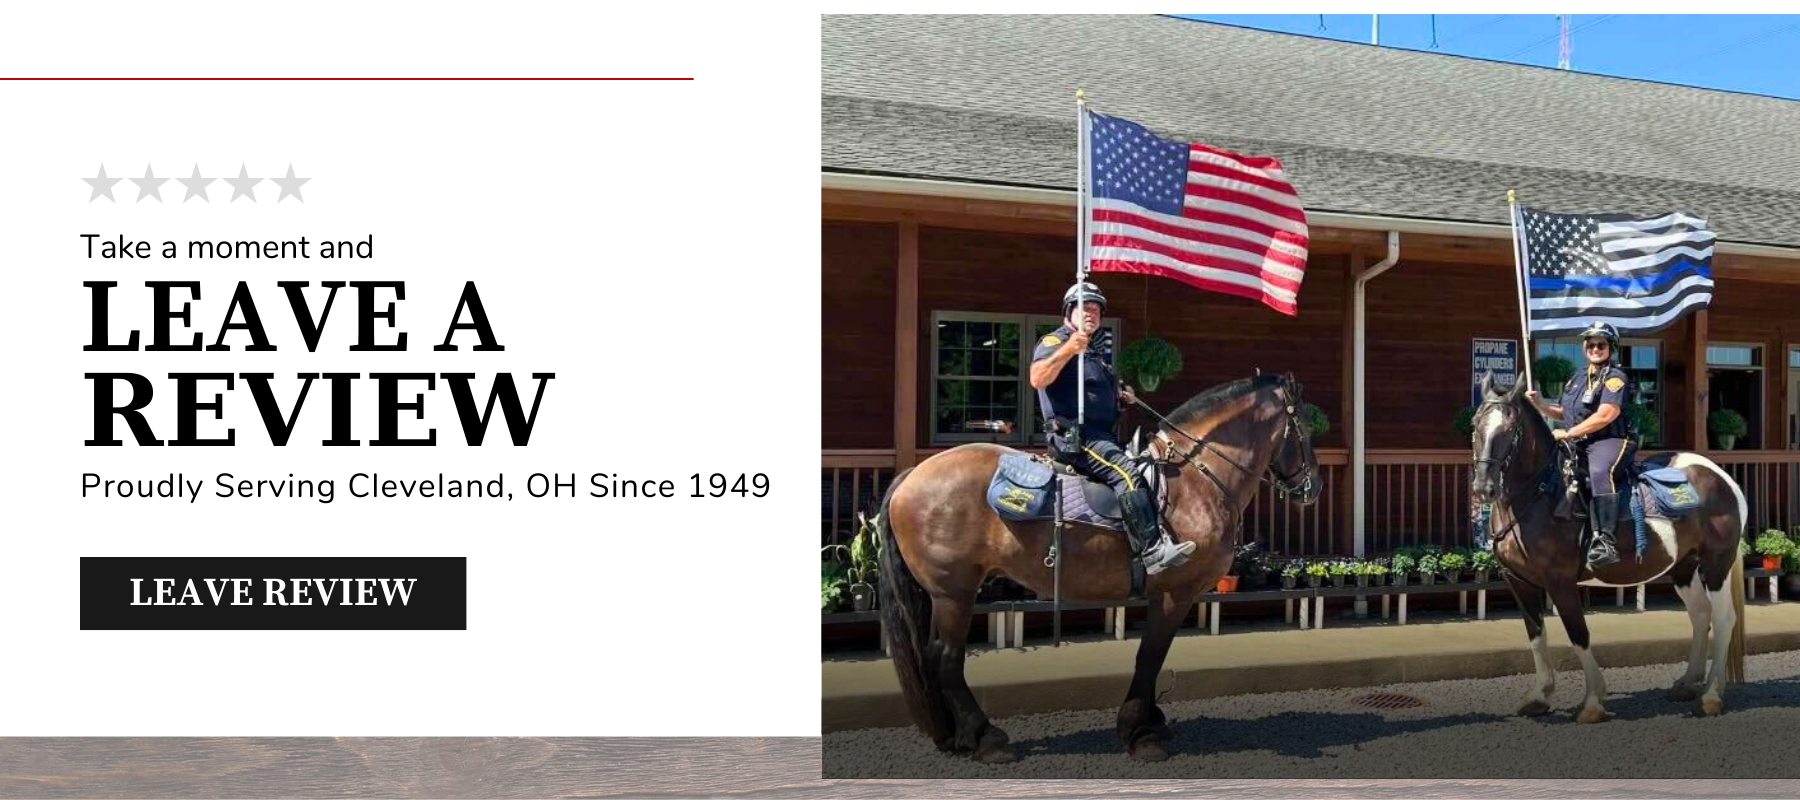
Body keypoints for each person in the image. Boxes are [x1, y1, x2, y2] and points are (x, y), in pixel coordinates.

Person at [1029, 281, 1196, 575]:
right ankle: (1153, 551)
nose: (1092, 313)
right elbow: (1038, 378)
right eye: (1085, 307)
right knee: (1127, 475)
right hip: (1076, 438)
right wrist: (1069, 347)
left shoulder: (1093, 353)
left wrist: (1119, 394)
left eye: (1096, 309)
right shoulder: (1055, 342)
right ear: (1069, 311)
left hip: (1103, 436)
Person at [1525, 321, 1636, 567]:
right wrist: (1541, 404)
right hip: (1579, 441)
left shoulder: (1615, 377)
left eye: (1601, 344)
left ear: (1611, 348)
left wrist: (1569, 433)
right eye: (1591, 344)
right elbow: (1564, 412)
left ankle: (1605, 541)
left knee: (1598, 472)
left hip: (1609, 440)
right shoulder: (1576, 378)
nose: (1595, 349)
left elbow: (1606, 414)